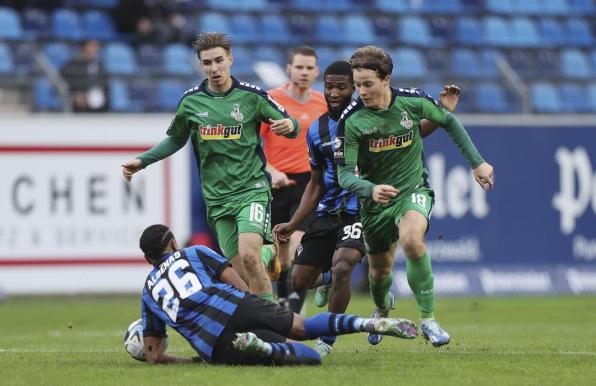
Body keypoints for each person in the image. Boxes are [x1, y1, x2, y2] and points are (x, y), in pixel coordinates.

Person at [274, 61, 462, 356]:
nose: (335, 93)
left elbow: (408, 132)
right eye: (329, 87)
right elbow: (315, 183)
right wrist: (294, 222)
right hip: (328, 212)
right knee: (299, 280)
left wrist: (441, 114)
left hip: (360, 207)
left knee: (345, 265)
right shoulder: (317, 129)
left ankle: (327, 340)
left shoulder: (366, 117)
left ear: (355, 89)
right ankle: (328, 280)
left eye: (343, 87)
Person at [335, 46, 494, 347]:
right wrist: (370, 189)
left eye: (367, 83)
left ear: (386, 79)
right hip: (374, 203)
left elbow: (448, 121)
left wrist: (477, 163)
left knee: (411, 239)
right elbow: (344, 176)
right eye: (357, 85)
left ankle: (429, 319)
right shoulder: (351, 121)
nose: (361, 91)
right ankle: (382, 310)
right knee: (379, 272)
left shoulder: (412, 101)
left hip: (412, 190)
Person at [122, 32, 299, 301]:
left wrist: (290, 125)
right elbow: (176, 139)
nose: (214, 68)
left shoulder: (252, 97)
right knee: (244, 277)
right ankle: (268, 263)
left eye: (219, 60)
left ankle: (273, 329)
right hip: (217, 199)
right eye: (207, 63)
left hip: (251, 189)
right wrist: (142, 161)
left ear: (230, 59)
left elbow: (290, 124)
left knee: (250, 258)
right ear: (201, 65)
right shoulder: (192, 102)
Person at [136, 224, 419, 366]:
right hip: (236, 306)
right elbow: (239, 286)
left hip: (213, 343)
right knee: (303, 328)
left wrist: (194, 360)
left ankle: (266, 350)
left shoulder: (148, 292)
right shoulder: (194, 253)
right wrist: (255, 312)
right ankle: (364, 324)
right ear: (173, 242)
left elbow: (153, 354)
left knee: (307, 358)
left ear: (149, 259)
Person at [260, 46, 327, 309]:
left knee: (298, 249)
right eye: (299, 67)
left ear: (316, 71)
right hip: (275, 183)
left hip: (307, 184)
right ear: (289, 69)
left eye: (310, 68)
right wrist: (271, 170)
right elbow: (254, 143)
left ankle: (293, 311)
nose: (304, 72)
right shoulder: (270, 100)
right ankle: (283, 300)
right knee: (281, 259)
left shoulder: (322, 103)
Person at [60, 40, 108, 112]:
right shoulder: (73, 64)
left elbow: (104, 82)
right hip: (77, 99)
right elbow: (63, 80)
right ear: (84, 47)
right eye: (92, 46)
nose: (95, 49)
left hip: (95, 100)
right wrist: (75, 94)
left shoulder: (99, 65)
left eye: (97, 46)